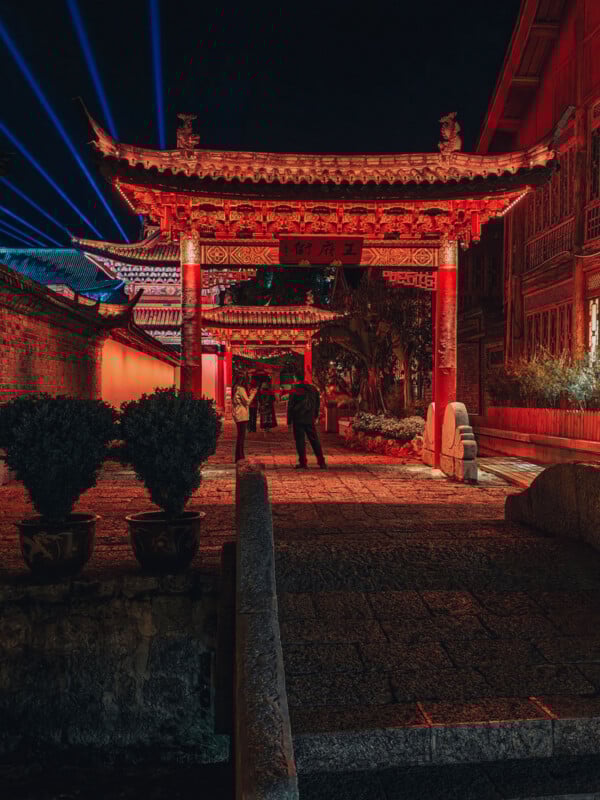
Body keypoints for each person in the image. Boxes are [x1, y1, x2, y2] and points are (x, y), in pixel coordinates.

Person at [287, 378, 327, 469]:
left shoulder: (295, 389)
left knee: (300, 441)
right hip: (309, 418)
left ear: (296, 378)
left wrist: (289, 420)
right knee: (314, 440)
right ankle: (321, 462)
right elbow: (317, 403)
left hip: (298, 418)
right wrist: (315, 415)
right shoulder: (313, 389)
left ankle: (303, 462)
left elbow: (290, 405)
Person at [232, 373, 257, 462]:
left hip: (237, 413)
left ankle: (239, 456)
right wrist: (253, 394)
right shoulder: (241, 389)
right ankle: (240, 457)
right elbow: (247, 402)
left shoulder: (235, 388)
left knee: (240, 436)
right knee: (241, 437)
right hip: (241, 414)